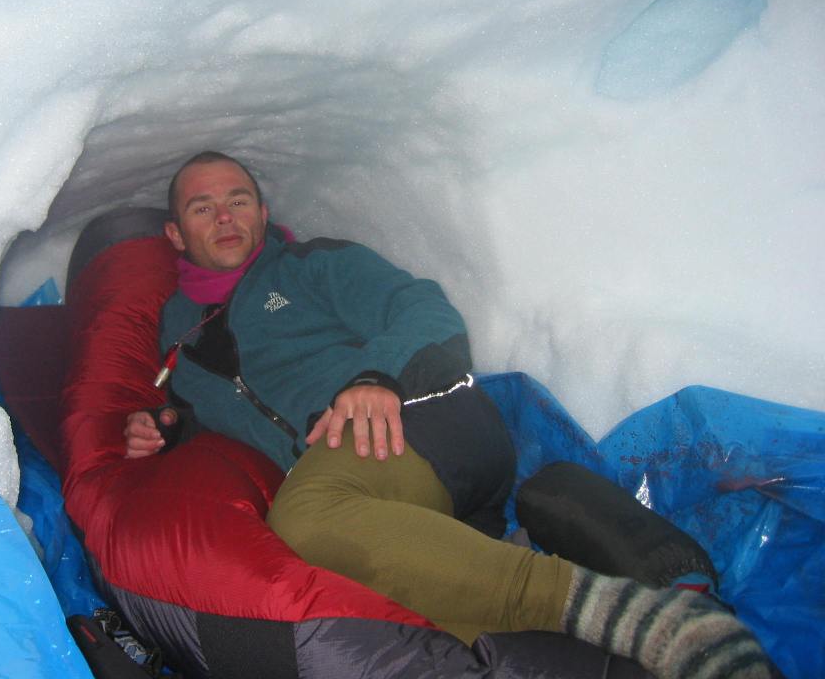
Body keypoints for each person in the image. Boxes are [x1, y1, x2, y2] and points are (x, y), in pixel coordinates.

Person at [124, 151, 776, 679]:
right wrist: (170, 430)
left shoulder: (312, 265)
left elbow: (425, 311)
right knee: (373, 595)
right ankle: (628, 658)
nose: (226, 215)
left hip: (425, 419)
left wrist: (374, 378)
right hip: (367, 489)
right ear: (177, 234)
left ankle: (643, 620)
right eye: (202, 206)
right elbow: (223, 424)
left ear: (263, 212)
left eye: (238, 198)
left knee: (302, 519)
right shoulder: (177, 338)